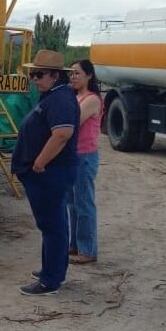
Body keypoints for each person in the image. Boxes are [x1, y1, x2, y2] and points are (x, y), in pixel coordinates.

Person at [12, 49, 79, 296]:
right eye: (33, 74)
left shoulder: (60, 100)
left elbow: (62, 134)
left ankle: (51, 280)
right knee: (53, 223)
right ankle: (52, 270)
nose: (34, 79)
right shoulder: (53, 96)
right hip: (49, 172)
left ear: (55, 76)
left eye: (38, 74)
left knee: (52, 225)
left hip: (50, 172)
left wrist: (39, 163)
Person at [67, 59, 103, 264]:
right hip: (73, 155)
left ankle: (88, 250)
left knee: (84, 203)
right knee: (71, 204)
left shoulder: (92, 100)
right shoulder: (74, 97)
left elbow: (71, 122)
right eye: (71, 73)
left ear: (89, 76)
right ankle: (75, 244)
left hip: (85, 156)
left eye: (77, 73)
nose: (73, 77)